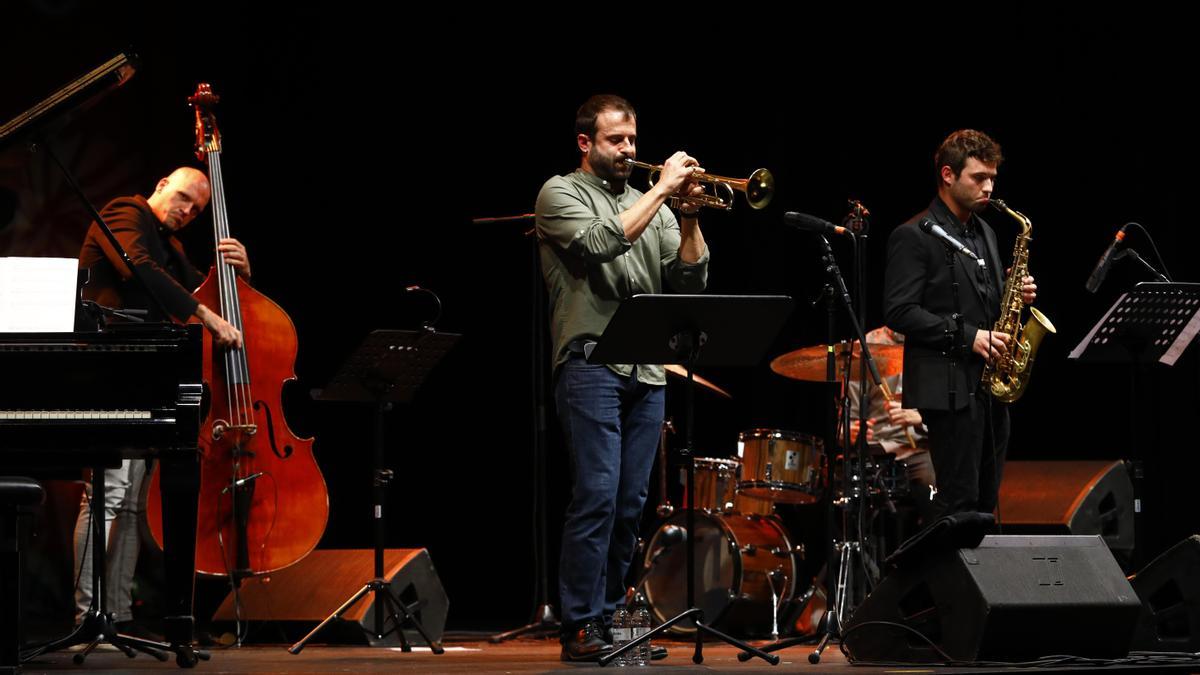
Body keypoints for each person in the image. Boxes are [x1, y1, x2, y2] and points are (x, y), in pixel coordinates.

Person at [535, 95, 709, 662]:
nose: (630, 151)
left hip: (647, 369)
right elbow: (598, 244)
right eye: (617, 140)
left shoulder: (650, 204)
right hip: (591, 363)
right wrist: (662, 191)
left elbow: (687, 284)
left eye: (633, 140)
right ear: (586, 143)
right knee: (596, 496)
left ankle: (611, 619)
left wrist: (687, 217)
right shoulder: (559, 193)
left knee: (631, 503)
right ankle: (580, 624)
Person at [73, 166, 249, 632]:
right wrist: (205, 315)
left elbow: (203, 290)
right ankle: (89, 617)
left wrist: (241, 274)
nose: (189, 211)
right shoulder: (124, 213)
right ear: (160, 187)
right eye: (185, 198)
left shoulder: (170, 244)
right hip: (107, 369)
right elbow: (142, 270)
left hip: (143, 375)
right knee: (106, 496)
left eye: (197, 208)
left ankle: (118, 616)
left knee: (131, 503)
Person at [883, 130, 1036, 523]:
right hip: (948, 390)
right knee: (960, 507)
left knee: (985, 506)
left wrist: (1015, 297)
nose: (988, 187)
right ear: (948, 175)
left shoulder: (984, 230)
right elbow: (899, 311)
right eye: (978, 177)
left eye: (992, 179)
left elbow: (982, 301)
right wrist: (971, 337)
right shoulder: (913, 235)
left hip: (987, 388)